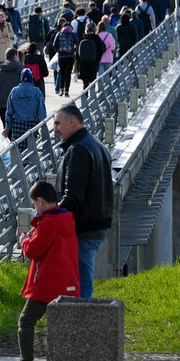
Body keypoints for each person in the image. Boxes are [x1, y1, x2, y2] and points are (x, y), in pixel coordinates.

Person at [4, 181, 80, 361]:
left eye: (34, 203)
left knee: (26, 321)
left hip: (47, 284)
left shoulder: (47, 224)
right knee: (62, 327)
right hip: (67, 283)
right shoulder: (67, 219)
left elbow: (34, 251)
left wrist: (24, 241)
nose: (34, 207)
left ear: (40, 201)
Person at [53, 105, 113, 299]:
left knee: (80, 287)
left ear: (72, 121)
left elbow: (72, 197)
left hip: (84, 228)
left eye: (58, 123)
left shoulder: (78, 149)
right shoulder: (96, 144)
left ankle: (86, 317)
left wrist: (49, 217)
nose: (55, 129)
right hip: (98, 224)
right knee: (80, 284)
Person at [4, 70, 47, 150]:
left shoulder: (14, 91)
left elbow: (9, 111)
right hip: (31, 124)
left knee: (17, 150)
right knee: (31, 150)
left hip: (17, 125)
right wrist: (42, 125)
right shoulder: (36, 91)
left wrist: (7, 127)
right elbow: (41, 111)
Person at [0, 48, 23, 128]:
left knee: (6, 128)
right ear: (15, 56)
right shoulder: (21, 70)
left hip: (3, 104)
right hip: (18, 103)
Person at [74, 22, 106, 90]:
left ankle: (85, 95)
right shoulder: (96, 38)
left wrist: (78, 63)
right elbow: (101, 50)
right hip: (93, 63)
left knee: (85, 83)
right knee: (92, 81)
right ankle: (92, 95)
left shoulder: (82, 38)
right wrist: (97, 60)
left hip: (83, 63)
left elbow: (77, 53)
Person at [52, 19, 78, 97]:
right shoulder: (73, 34)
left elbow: (54, 45)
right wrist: (74, 50)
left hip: (61, 57)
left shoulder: (59, 34)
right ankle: (67, 91)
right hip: (70, 56)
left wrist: (58, 51)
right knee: (68, 74)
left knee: (62, 73)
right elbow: (77, 43)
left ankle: (61, 90)